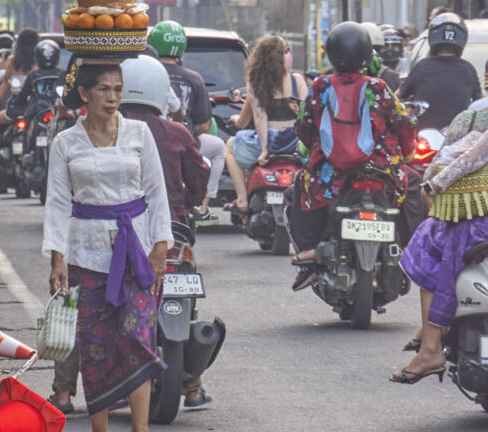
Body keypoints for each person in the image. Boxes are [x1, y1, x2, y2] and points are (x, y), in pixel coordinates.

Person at [43, 62, 172, 432]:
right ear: (84, 94)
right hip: (86, 253)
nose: (113, 97)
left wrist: (161, 246)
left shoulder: (139, 133)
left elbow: (156, 190)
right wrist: (57, 257)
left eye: (117, 89)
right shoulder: (66, 142)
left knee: (138, 336)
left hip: (136, 250)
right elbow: (59, 202)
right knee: (95, 345)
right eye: (103, 89)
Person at [288, 22, 417, 290]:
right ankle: (411, 248)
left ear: (331, 55)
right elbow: (403, 123)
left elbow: (303, 126)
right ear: (367, 56)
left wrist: (317, 149)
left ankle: (309, 252)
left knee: (300, 184)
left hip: (329, 172)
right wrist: (406, 153)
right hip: (380, 168)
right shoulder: (378, 87)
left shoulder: (321, 86)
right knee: (415, 185)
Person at [119, 54, 212, 408]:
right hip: (174, 231)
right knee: (185, 302)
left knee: (94, 305)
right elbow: (199, 177)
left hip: (122, 230)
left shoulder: (111, 130)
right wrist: (187, 205)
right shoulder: (177, 132)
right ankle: (192, 385)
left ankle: (64, 390)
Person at [392, 104, 488, 383]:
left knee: (435, 241)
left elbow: (473, 157)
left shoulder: (468, 117)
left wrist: (433, 186)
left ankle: (431, 344)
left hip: (477, 223)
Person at [149, 21, 225, 222]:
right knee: (218, 147)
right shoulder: (194, 79)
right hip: (182, 143)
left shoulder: (146, 73)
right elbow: (203, 126)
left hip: (147, 139)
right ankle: (202, 204)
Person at [224, 35, 308, 215]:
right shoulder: (297, 80)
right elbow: (305, 114)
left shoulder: (255, 83)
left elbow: (259, 117)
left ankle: (241, 199)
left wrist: (264, 150)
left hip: (270, 142)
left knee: (230, 146)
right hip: (294, 142)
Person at [398, 12, 481, 130]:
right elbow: (481, 104)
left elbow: (398, 97)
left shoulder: (421, 67)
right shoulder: (469, 70)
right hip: (459, 139)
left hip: (423, 139)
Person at [0, 28, 39, 167]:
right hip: (35, 109)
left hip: (16, 108)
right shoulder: (39, 62)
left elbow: (4, 86)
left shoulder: (12, 61)